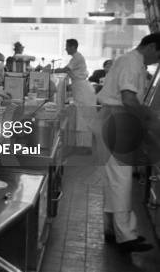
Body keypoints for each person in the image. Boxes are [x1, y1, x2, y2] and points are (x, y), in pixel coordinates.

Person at [93, 33, 160, 252]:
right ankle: (126, 236)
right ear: (151, 46)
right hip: (118, 120)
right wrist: (149, 118)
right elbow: (129, 99)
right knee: (121, 180)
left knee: (114, 178)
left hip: (114, 119)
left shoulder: (131, 61)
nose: (157, 60)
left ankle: (113, 229)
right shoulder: (132, 62)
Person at [54, 39, 97, 146]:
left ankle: (85, 146)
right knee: (81, 118)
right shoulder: (75, 57)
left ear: (73, 47)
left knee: (84, 119)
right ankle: (82, 145)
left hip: (83, 91)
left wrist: (51, 70)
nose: (66, 49)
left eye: (67, 46)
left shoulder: (77, 57)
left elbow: (65, 69)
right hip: (80, 88)